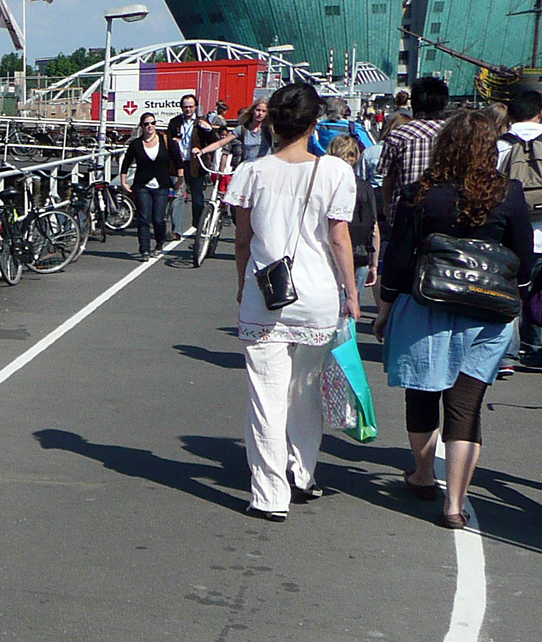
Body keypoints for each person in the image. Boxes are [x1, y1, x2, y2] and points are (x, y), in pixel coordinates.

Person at [376, 110, 536, 528]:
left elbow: (398, 257)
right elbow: (523, 258)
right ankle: (454, 505)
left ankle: (425, 475)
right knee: (466, 407)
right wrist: (514, 302)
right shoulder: (509, 193)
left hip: (426, 306)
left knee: (422, 395)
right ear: (489, 148)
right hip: (487, 313)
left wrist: (386, 306)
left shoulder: (420, 193)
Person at [225, 81, 359, 522]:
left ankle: (269, 493)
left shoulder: (251, 173)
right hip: (318, 294)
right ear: (314, 122)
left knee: (266, 395)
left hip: (267, 294)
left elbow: (244, 242)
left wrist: (242, 283)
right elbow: (339, 239)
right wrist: (352, 293)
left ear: (274, 123)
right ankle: (303, 472)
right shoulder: (336, 172)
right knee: (305, 390)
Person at [496, 88, 542, 368]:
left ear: (511, 114)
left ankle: (506, 355)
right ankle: (537, 348)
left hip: (509, 234)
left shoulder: (499, 145)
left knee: (509, 292)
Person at [378, 76, 449, 238]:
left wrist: (387, 208)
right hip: (444, 214)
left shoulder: (398, 136)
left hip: (403, 214)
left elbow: (388, 179)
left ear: (414, 103)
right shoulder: (453, 133)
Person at [324, 134, 378, 306]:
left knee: (331, 303)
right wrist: (373, 264)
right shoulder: (364, 187)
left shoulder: (324, 184)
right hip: (359, 252)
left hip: (328, 251)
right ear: (355, 158)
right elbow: (374, 227)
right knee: (352, 302)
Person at [118, 112, 172, 257]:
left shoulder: (164, 140)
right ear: (142, 126)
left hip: (161, 184)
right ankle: (144, 249)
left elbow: (176, 158)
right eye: (146, 124)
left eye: (152, 123)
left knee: (158, 219)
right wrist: (123, 181)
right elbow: (126, 163)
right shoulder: (136, 144)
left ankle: (160, 242)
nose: (150, 126)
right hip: (142, 185)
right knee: (144, 218)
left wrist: (180, 177)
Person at [168, 93, 225, 231]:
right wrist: (174, 141)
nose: (187, 109)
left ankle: (198, 225)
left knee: (197, 197)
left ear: (195, 107)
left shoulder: (201, 123)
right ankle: (177, 230)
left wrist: (209, 130)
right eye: (185, 107)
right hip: (179, 163)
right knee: (178, 196)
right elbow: (169, 140)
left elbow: (213, 142)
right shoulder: (175, 122)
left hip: (196, 164)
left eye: (190, 106)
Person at [230, 99, 274, 167]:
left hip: (265, 169)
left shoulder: (269, 130)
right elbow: (220, 143)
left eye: (264, 111)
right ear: (253, 110)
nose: (260, 113)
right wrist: (207, 150)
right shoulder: (243, 129)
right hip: (248, 168)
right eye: (258, 110)